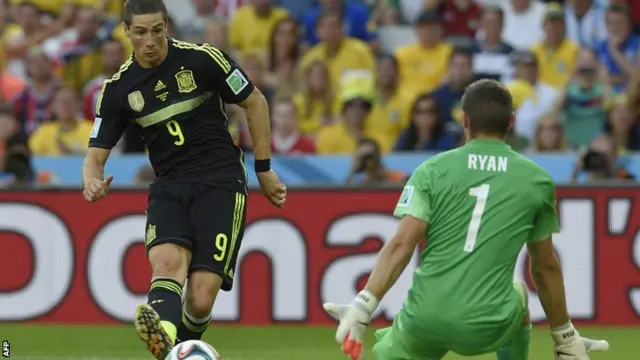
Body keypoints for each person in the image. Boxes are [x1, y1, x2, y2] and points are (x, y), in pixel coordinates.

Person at [323, 79, 610, 360]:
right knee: (519, 294)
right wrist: (564, 335)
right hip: (488, 324)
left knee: (391, 347)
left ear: (464, 120)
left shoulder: (432, 170)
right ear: (510, 122)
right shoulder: (537, 181)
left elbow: (401, 245)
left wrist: (364, 304)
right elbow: (545, 266)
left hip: (425, 320)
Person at [81, 1, 287, 359]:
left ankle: (175, 344)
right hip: (170, 186)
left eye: (157, 30)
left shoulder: (204, 60)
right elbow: (94, 155)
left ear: (167, 27)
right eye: (140, 32)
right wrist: (91, 180)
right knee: (167, 266)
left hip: (221, 182)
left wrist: (264, 168)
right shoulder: (117, 90)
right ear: (126, 32)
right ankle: (166, 341)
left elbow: (255, 102)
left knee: (202, 294)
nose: (150, 41)